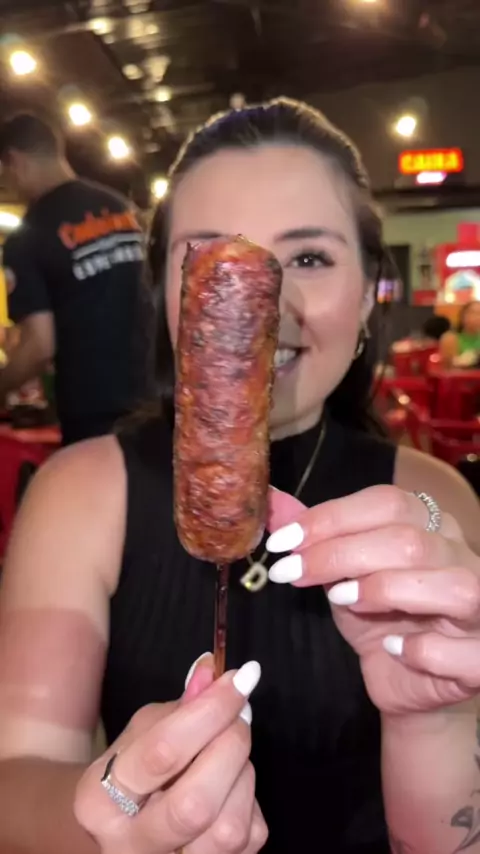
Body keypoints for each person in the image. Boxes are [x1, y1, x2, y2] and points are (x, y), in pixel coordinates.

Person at [0, 97, 479, 854]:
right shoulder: (79, 492)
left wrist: (436, 720)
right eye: (207, 255)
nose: (266, 301)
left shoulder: (437, 500)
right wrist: (115, 824)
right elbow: (14, 780)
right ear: (164, 296)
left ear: (368, 295)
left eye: (310, 257)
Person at [0, 113, 153, 444]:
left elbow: (39, 345)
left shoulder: (28, 236)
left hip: (94, 412)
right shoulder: (121, 207)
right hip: (155, 397)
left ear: (14, 162)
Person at [440, 300, 480, 367]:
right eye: (473, 313)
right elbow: (448, 367)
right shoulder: (450, 338)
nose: (477, 318)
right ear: (463, 316)